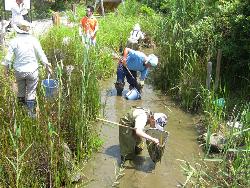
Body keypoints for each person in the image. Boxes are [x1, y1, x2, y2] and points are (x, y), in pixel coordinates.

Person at [1, 20, 52, 117]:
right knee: (31, 92)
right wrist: (47, 66)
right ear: (28, 30)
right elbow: (41, 55)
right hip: (32, 71)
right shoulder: (33, 40)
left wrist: (5, 70)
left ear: (18, 30)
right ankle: (30, 114)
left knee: (20, 91)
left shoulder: (14, 41)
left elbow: (7, 59)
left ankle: (21, 114)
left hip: (19, 71)